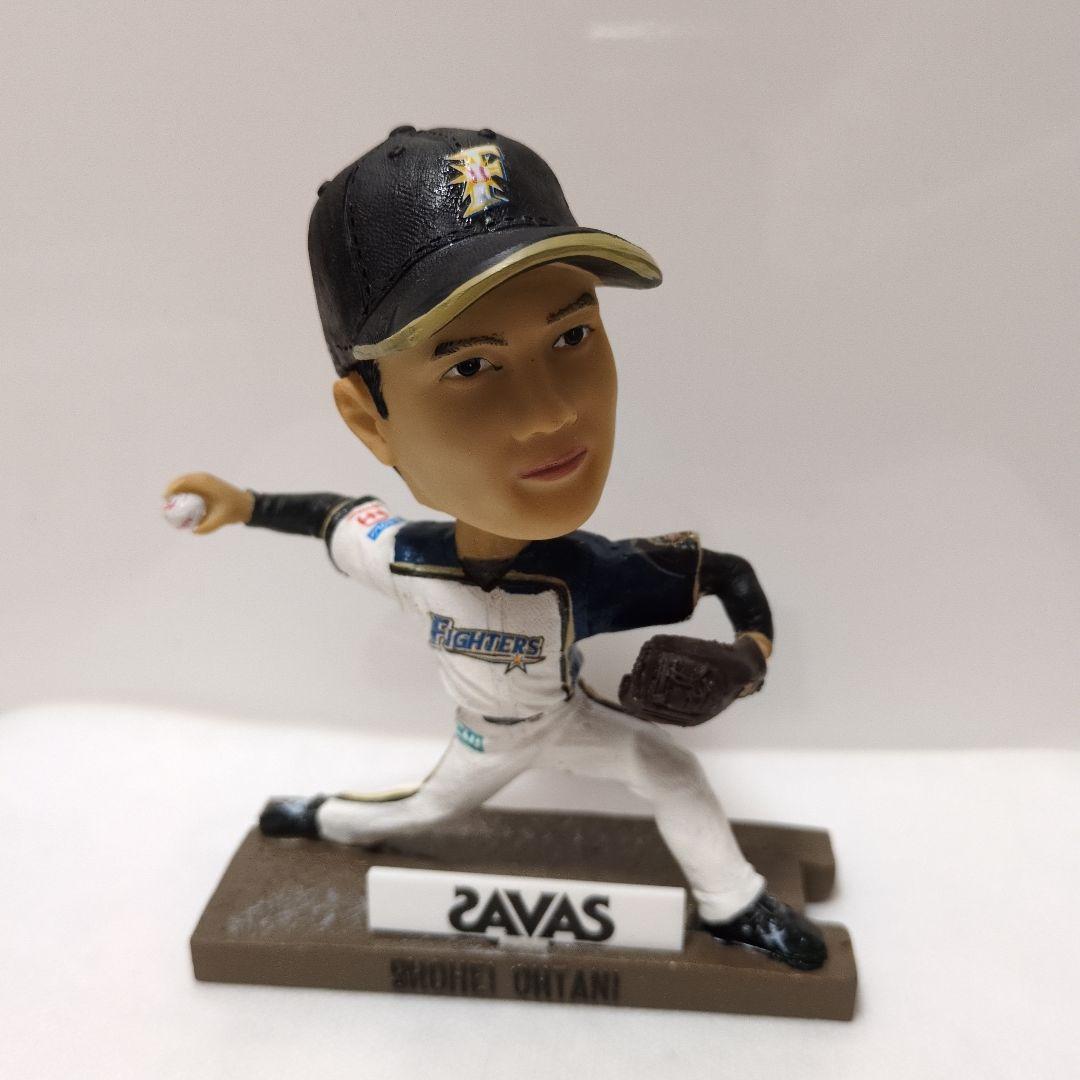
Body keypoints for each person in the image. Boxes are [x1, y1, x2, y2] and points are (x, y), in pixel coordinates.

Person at [165, 127, 826, 970]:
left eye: (572, 337)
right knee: (418, 811)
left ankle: (734, 906)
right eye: (472, 368)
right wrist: (246, 505)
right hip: (482, 738)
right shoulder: (408, 558)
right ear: (371, 420)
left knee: (672, 775)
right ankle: (317, 817)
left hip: (567, 720)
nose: (551, 413)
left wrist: (749, 656)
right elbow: (335, 518)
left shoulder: (585, 573)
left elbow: (726, 575)